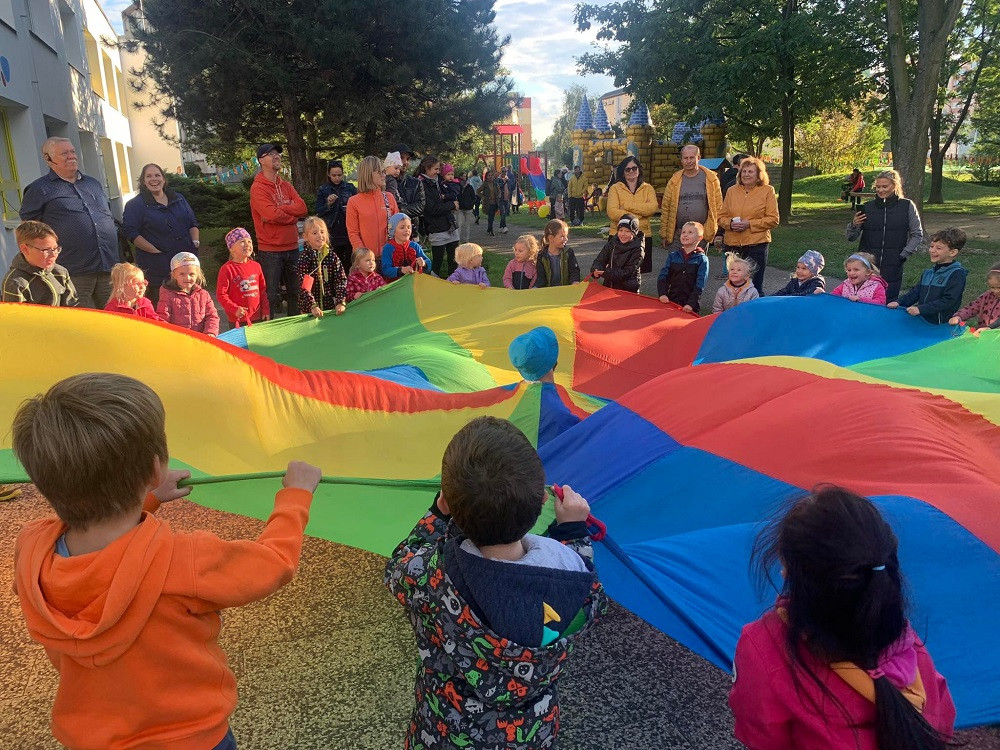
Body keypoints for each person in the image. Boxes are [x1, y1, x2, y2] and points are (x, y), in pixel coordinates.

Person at [11, 372, 322, 750]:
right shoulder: (182, 561)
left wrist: (148, 497)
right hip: (192, 738)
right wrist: (296, 495)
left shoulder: (31, 549)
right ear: (155, 470)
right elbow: (273, 563)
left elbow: (102, 546)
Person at [384, 416, 605, 750]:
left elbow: (398, 568)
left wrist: (437, 516)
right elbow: (587, 587)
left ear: (451, 503)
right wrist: (572, 530)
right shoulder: (572, 579)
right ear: (542, 501)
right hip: (531, 736)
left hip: (444, 734)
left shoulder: (430, 576)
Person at [729, 485, 956, 750]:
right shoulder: (908, 647)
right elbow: (942, 719)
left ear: (788, 570)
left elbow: (762, 736)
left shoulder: (763, 648)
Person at [19, 137, 118, 308]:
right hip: (73, 270)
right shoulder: (39, 189)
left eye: (72, 151)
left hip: (107, 266)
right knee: (81, 319)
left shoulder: (93, 183)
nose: (71, 156)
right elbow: (30, 230)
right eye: (64, 153)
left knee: (115, 316)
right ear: (48, 159)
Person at [122, 163, 200, 306]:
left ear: (164, 179)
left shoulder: (179, 199)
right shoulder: (135, 205)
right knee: (162, 309)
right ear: (143, 181)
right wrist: (155, 251)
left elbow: (192, 223)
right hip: (156, 267)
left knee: (191, 307)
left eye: (157, 175)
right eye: (149, 176)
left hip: (185, 265)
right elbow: (131, 232)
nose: (154, 179)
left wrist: (195, 243)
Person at [845, 169, 923, 303]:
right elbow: (850, 237)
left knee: (888, 301)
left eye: (885, 186)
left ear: (894, 185)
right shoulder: (868, 207)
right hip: (867, 265)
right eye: (878, 187)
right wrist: (854, 224)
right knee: (862, 301)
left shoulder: (907, 206)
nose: (880, 190)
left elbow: (917, 234)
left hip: (893, 264)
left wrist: (903, 255)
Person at [249, 144, 308, 318]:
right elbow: (270, 214)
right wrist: (292, 217)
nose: (277, 156)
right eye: (271, 154)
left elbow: (302, 208)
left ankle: (295, 328)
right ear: (261, 160)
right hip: (270, 250)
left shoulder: (286, 186)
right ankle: (270, 330)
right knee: (271, 296)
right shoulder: (258, 188)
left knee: (296, 292)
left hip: (293, 247)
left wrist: (281, 208)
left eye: (278, 153)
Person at [719, 155, 779, 295]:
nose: (746, 174)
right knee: (733, 286)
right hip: (732, 245)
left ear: (759, 175)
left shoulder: (767, 191)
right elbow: (721, 217)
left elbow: (773, 219)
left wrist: (749, 224)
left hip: (756, 245)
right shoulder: (731, 191)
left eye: (750, 171)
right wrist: (730, 224)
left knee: (754, 287)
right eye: (744, 171)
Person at [888, 228, 968, 325]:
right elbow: (915, 293)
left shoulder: (957, 274)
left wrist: (921, 309)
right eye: (931, 246)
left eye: (938, 248)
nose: (932, 250)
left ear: (952, 252)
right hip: (923, 322)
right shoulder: (928, 273)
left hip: (941, 325)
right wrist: (899, 302)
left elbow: (948, 301)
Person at [659, 144, 724, 261]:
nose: (688, 161)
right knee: (675, 267)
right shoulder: (674, 180)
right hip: (677, 235)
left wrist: (713, 230)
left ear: (698, 158)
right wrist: (664, 234)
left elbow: (718, 207)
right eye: (685, 158)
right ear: (681, 160)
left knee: (696, 268)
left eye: (692, 158)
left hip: (700, 235)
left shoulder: (711, 179)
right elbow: (666, 208)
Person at [2, 220, 77, 306]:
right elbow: (16, 313)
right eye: (46, 250)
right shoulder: (15, 283)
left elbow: (73, 307)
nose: (53, 254)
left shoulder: (61, 272)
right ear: (24, 249)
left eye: (56, 248)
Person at [607, 156, 659, 274]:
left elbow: (652, 209)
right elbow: (612, 212)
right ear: (623, 172)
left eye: (634, 168)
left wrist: (626, 206)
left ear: (639, 169)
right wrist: (639, 215)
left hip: (642, 236)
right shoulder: (615, 188)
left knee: (639, 273)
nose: (631, 171)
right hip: (619, 236)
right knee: (616, 273)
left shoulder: (648, 188)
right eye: (627, 169)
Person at [346, 155, 400, 259]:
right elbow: (353, 233)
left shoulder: (389, 197)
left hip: (390, 256)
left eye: (384, 172)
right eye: (380, 172)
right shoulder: (353, 201)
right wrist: (363, 255)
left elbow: (397, 227)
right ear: (368, 174)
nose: (384, 175)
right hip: (365, 259)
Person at [156, 252, 220, 336]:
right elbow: (163, 319)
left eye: (191, 274)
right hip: (178, 339)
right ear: (174, 275)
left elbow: (212, 316)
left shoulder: (203, 295)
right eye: (182, 274)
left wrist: (210, 332)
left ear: (197, 275)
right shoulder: (168, 296)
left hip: (200, 338)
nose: (187, 278)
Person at [295, 216, 347, 318]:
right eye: (315, 233)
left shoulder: (332, 256)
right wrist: (312, 305)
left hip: (329, 306)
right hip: (309, 309)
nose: (320, 235)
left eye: (322, 232)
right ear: (305, 237)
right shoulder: (305, 258)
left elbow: (340, 279)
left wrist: (340, 301)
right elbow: (304, 286)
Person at [216, 228, 269, 327]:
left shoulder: (256, 266)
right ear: (231, 248)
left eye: (249, 241)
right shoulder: (227, 269)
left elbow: (262, 291)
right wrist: (234, 309)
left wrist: (266, 310)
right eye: (242, 242)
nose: (247, 244)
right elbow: (221, 295)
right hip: (237, 320)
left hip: (257, 317)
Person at [417, 155, 460, 277]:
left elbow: (454, 194)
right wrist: (451, 205)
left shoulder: (440, 181)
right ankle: (434, 284)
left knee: (455, 259)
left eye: (438, 169)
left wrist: (451, 201)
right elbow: (432, 209)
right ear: (427, 168)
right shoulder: (422, 185)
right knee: (438, 261)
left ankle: (453, 282)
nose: (438, 172)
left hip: (450, 224)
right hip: (436, 227)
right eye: (435, 169)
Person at [657, 221, 709, 313]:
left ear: (699, 237)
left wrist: (691, 304)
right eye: (683, 232)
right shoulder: (673, 256)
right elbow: (663, 276)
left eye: (690, 232)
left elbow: (700, 284)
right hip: (671, 301)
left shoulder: (702, 259)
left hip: (690, 306)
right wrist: (663, 294)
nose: (685, 235)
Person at [314, 159, 358, 272]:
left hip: (348, 230)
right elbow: (318, 211)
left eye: (339, 175)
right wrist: (328, 204)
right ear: (329, 174)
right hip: (332, 232)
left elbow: (359, 205)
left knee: (350, 263)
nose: (337, 178)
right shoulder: (323, 189)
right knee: (333, 265)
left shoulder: (350, 187)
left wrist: (350, 208)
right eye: (334, 175)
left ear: (343, 174)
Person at [591, 214, 644, 293]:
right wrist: (596, 269)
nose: (623, 234)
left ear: (634, 233)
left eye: (627, 231)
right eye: (620, 230)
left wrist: (606, 273)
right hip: (609, 284)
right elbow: (600, 259)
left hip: (628, 288)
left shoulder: (638, 249)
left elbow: (628, 272)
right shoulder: (612, 243)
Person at [950, 261, 1000, 329]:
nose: (996, 291)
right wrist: (959, 316)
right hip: (983, 334)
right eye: (992, 287)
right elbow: (972, 308)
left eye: (999, 287)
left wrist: (990, 327)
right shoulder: (986, 297)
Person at [381, 213, 429, 282]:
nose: (407, 230)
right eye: (402, 227)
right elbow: (385, 270)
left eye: (409, 227)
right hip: (395, 284)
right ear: (393, 231)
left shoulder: (415, 246)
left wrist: (424, 263)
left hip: (414, 283)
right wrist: (401, 270)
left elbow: (429, 263)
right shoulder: (388, 248)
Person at [536, 219, 581, 287]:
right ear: (551, 238)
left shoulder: (568, 252)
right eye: (562, 236)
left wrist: (574, 281)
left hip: (566, 289)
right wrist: (536, 287)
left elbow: (574, 270)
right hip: (549, 291)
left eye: (566, 236)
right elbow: (540, 276)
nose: (566, 239)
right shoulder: (542, 255)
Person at [388, 143, 425, 222]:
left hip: (410, 226)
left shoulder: (416, 183)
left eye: (408, 159)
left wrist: (398, 210)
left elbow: (420, 206)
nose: (405, 162)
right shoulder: (382, 181)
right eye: (401, 158)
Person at [478, 167, 502, 236]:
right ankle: (491, 230)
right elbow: (478, 191)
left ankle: (489, 228)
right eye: (489, 175)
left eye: (491, 175)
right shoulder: (485, 184)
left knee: (492, 216)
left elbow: (499, 191)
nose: (490, 177)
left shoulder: (495, 183)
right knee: (490, 216)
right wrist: (483, 197)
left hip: (495, 202)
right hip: (488, 203)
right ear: (486, 176)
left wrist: (499, 195)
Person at [456, 171, 477, 243]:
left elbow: (474, 197)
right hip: (460, 208)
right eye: (462, 176)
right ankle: (457, 239)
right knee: (459, 224)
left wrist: (471, 204)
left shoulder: (469, 187)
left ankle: (466, 239)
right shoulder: (457, 186)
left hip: (468, 208)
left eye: (465, 176)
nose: (463, 178)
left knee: (467, 225)